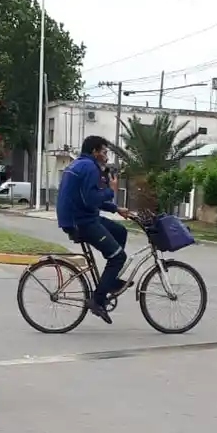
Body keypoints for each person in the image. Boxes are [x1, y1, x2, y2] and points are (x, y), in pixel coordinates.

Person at [56, 135, 135, 323]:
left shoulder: (81, 164)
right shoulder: (89, 167)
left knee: (120, 231)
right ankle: (98, 300)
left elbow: (88, 199)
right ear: (95, 151)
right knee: (118, 257)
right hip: (80, 222)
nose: (107, 156)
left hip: (82, 217)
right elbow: (91, 199)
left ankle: (110, 280)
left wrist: (116, 209)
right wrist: (111, 190)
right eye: (104, 152)